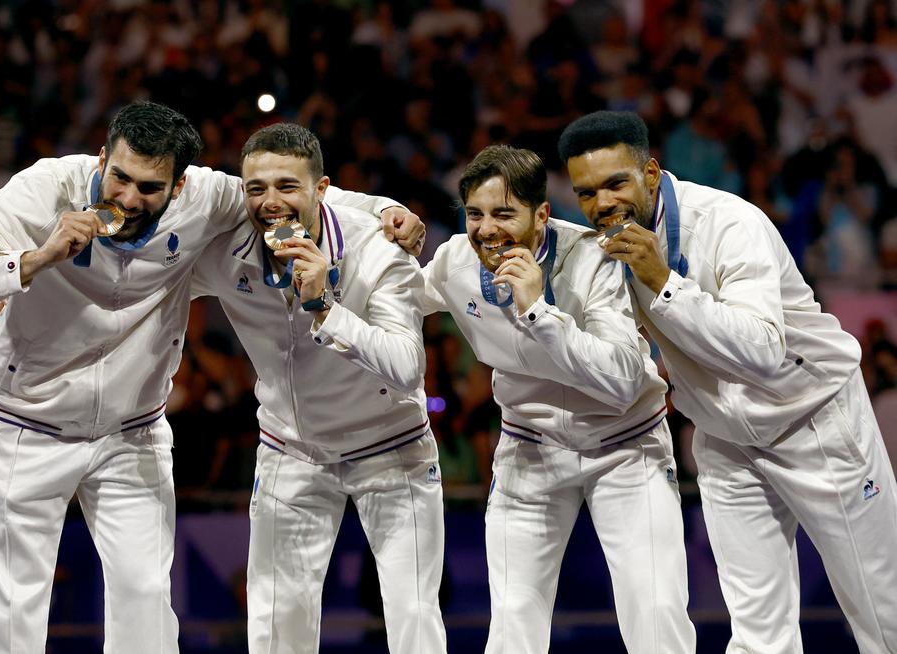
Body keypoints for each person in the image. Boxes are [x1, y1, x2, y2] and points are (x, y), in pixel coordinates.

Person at [0, 101, 424, 654]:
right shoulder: (44, 190)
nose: (129, 199)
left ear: (180, 186)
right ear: (103, 156)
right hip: (24, 427)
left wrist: (388, 211)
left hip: (131, 434)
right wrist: (33, 259)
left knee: (146, 607)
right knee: (7, 616)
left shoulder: (208, 196)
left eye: (150, 188)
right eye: (120, 178)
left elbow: (290, 196)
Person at [559, 110, 897, 654]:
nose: (602, 205)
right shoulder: (604, 246)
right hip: (725, 440)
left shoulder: (728, 223)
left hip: (813, 420)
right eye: (587, 192)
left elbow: (763, 351)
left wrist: (664, 283)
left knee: (884, 611)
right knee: (758, 631)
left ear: (650, 172)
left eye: (615, 183)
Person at [417, 145, 695, 654]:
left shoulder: (593, 258)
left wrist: (538, 312)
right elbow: (397, 295)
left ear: (541, 215)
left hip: (625, 449)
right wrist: (378, 217)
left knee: (655, 609)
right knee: (513, 620)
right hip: (530, 449)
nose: (485, 229)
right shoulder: (455, 260)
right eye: (474, 215)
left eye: (504, 214)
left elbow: (623, 379)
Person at [190, 122, 446, 654]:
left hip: (391, 448)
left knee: (413, 618)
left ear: (322, 189)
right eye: (256, 189)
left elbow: (405, 366)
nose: (270, 202)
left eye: (288, 187)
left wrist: (324, 306)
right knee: (275, 621)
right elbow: (149, 276)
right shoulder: (222, 250)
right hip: (293, 448)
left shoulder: (379, 248)